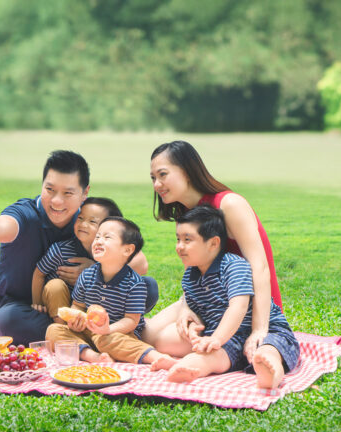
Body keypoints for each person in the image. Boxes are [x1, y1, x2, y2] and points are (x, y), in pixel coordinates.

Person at [0, 150, 157, 345]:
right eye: (50, 190)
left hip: (83, 303)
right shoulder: (25, 213)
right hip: (30, 307)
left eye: (68, 193)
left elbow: (140, 263)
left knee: (147, 287)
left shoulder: (88, 221)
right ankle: (91, 336)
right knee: (8, 320)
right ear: (42, 185)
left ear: (85, 192)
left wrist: (96, 268)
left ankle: (81, 334)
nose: (57, 201)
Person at [143, 140, 283, 363]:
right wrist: (186, 309)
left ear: (187, 171)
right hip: (209, 299)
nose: (157, 184)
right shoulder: (188, 214)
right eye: (153, 178)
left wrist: (259, 330)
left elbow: (260, 267)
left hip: (245, 303)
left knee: (163, 340)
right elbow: (195, 276)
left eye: (163, 174)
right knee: (146, 334)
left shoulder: (229, 204)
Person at [152, 206, 298, 388]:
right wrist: (194, 329)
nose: (179, 247)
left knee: (269, 348)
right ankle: (188, 367)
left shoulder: (233, 266)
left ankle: (270, 372)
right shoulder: (190, 275)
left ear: (213, 243)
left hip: (263, 332)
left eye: (187, 240)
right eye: (178, 239)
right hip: (229, 338)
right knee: (211, 356)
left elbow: (238, 306)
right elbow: (194, 308)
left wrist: (217, 338)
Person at [46, 217, 174, 366]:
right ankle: (92, 356)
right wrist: (76, 321)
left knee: (109, 340)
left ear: (127, 249)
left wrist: (107, 329)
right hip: (87, 331)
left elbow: (131, 320)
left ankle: (156, 357)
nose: (98, 241)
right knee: (54, 330)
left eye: (107, 237)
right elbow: (78, 306)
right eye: (98, 236)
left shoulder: (135, 283)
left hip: (116, 334)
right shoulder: (86, 275)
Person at [31, 197, 122, 323]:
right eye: (80, 218)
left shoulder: (109, 257)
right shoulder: (60, 251)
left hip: (86, 308)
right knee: (55, 286)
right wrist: (37, 303)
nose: (83, 224)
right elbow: (38, 273)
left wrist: (96, 268)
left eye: (92, 221)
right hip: (58, 304)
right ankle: (62, 329)